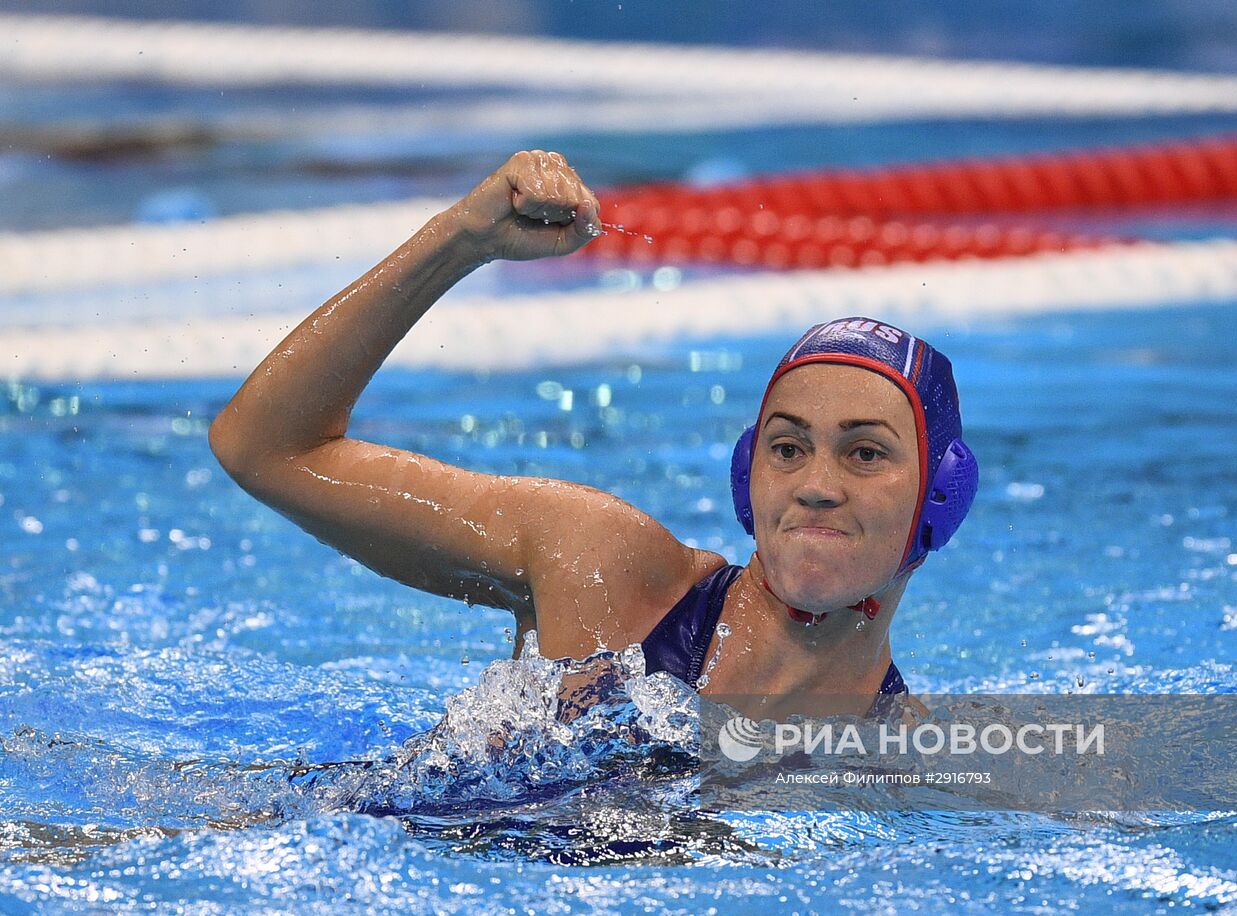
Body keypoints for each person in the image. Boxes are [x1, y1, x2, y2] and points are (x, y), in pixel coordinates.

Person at [209, 150, 977, 723]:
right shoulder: (607, 572)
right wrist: (460, 242)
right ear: (749, 474)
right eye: (787, 446)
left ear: (941, 497)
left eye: (865, 452)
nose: (815, 482)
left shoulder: (903, 768)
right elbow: (268, 448)